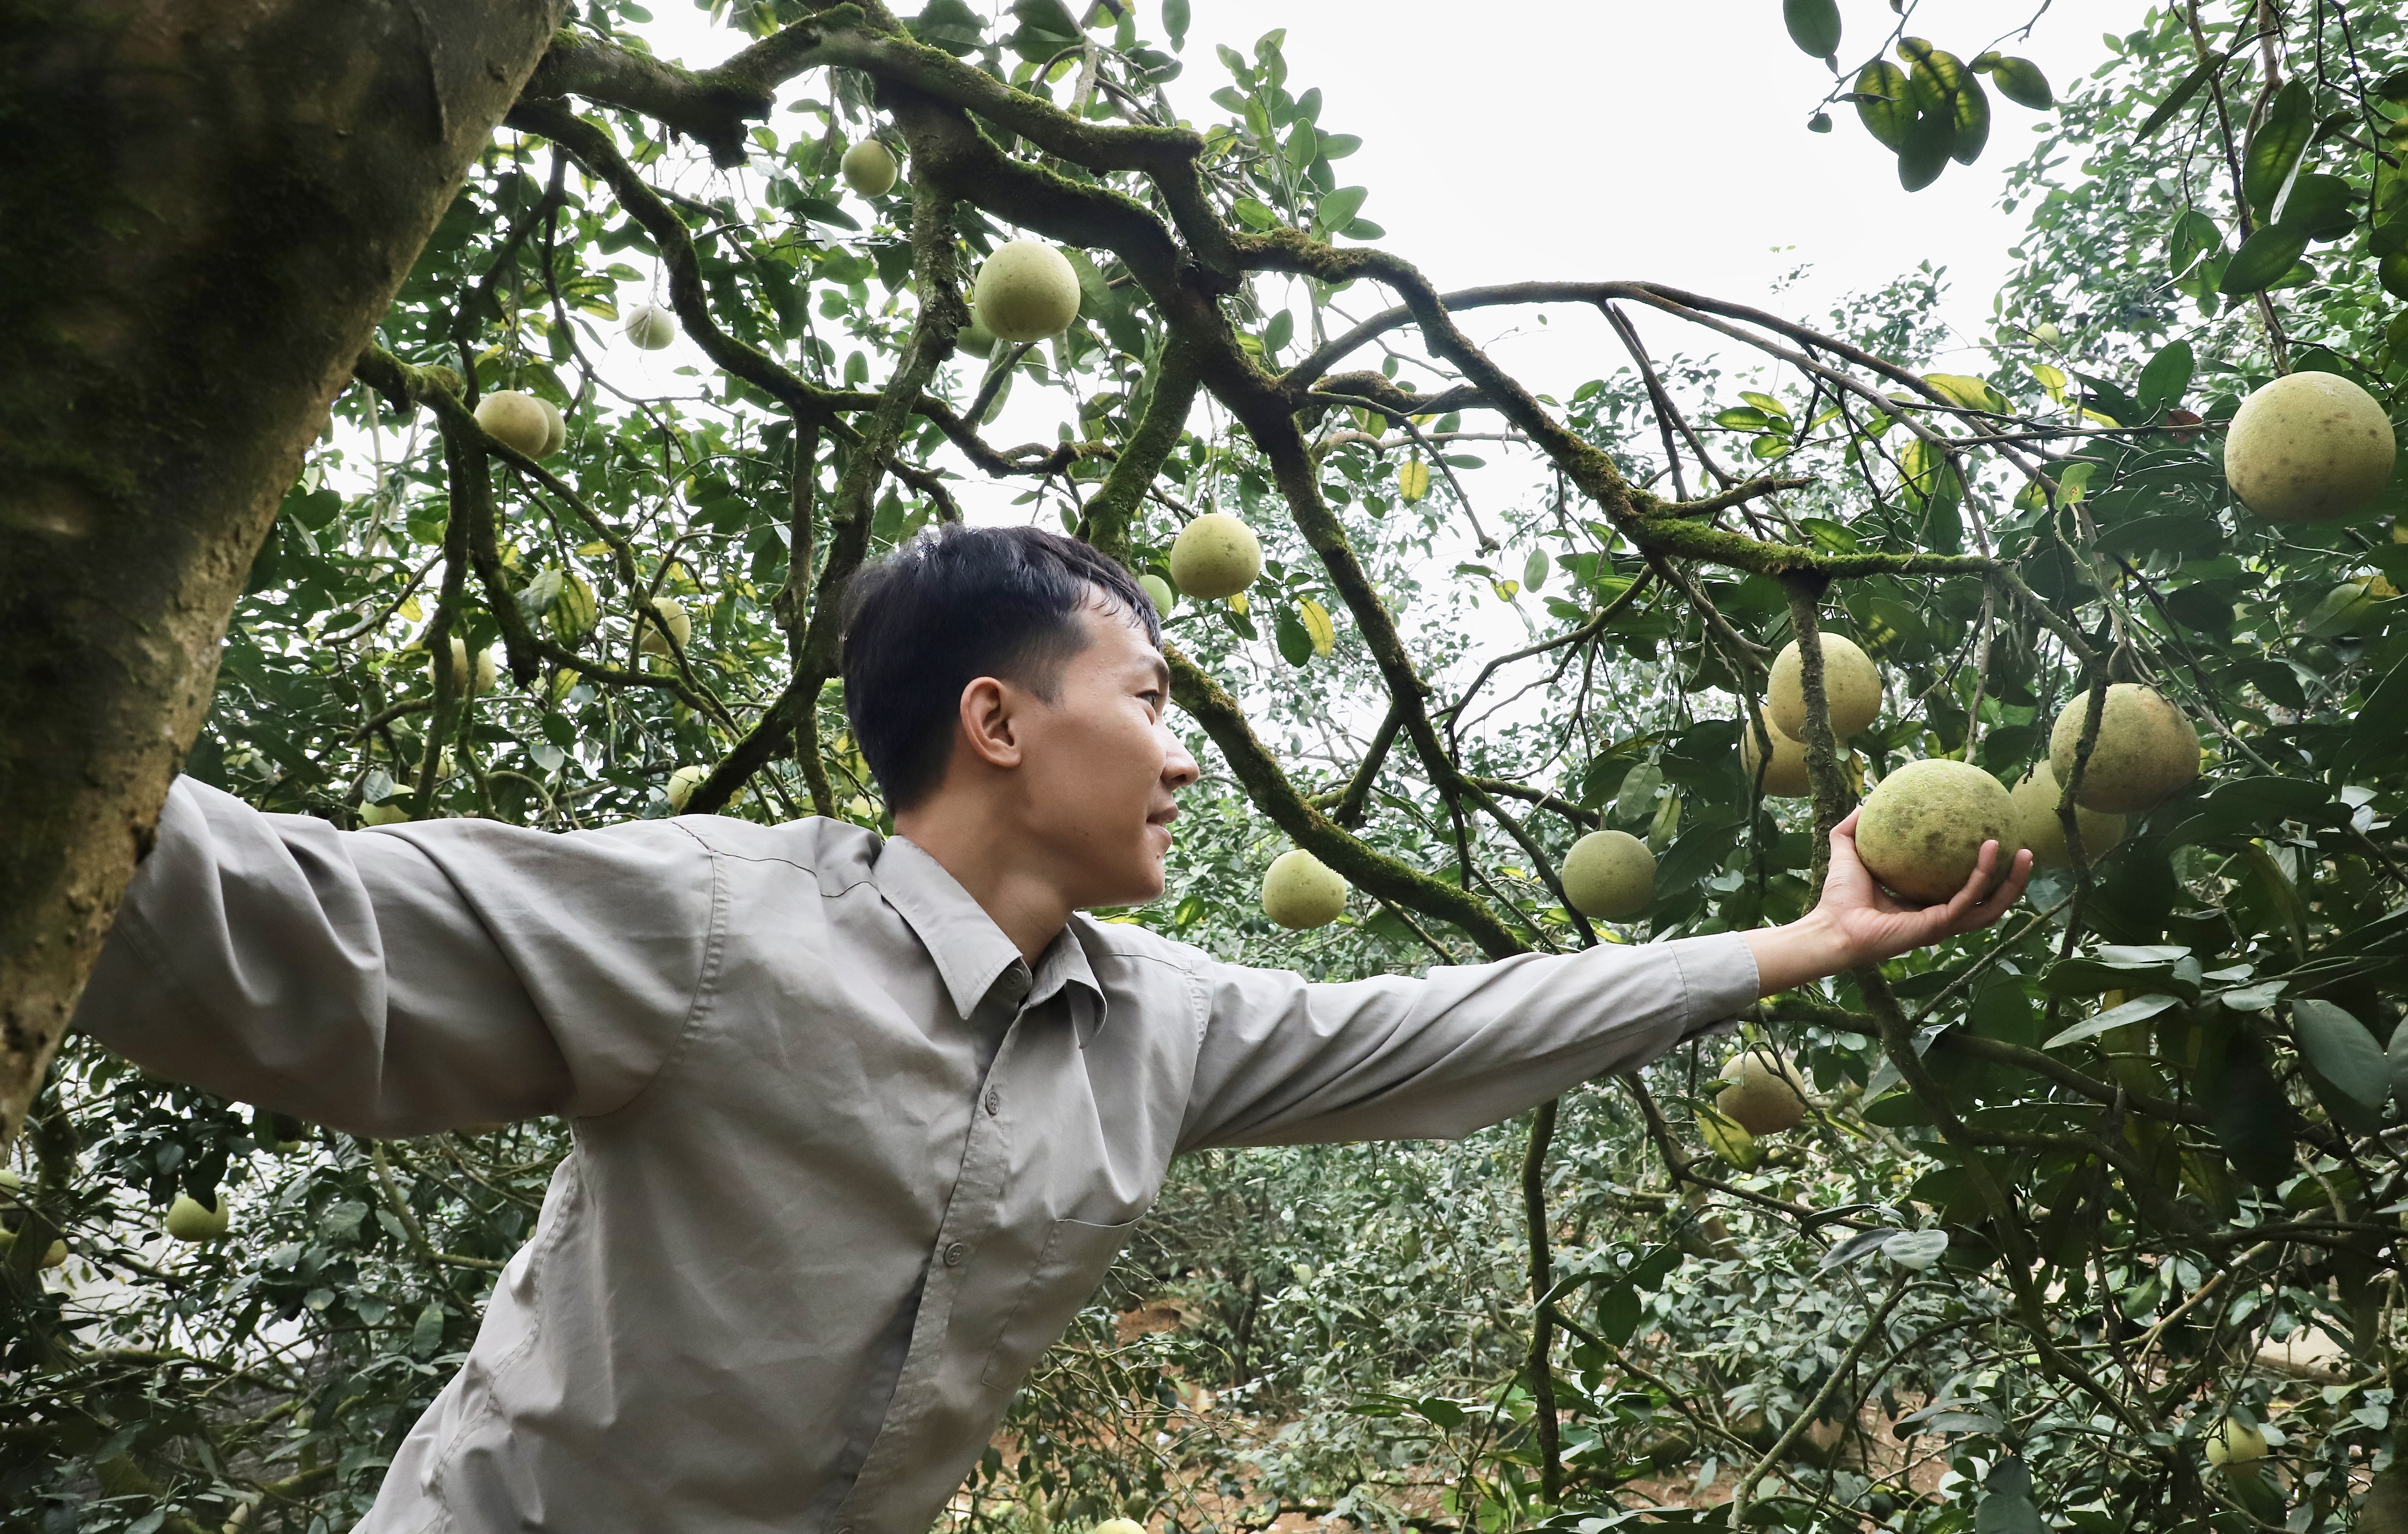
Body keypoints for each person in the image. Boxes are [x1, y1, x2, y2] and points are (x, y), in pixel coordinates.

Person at [76, 524, 2031, 1534]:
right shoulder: (713, 918)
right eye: (1152, 694)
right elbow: (281, 928)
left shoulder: (1156, 1025)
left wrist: (1796, 944)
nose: (1188, 755)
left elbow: (1446, 1026)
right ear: (998, 722)